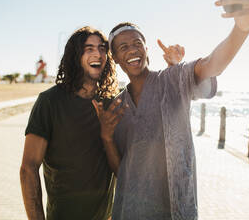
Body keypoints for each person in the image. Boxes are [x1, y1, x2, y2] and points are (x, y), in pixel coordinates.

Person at [92, 0, 249, 220]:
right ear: (114, 57)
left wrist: (243, 26)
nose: (132, 50)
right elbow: (121, 171)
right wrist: (106, 137)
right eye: (123, 47)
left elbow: (212, 64)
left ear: (147, 49)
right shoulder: (116, 107)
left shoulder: (173, 79)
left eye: (137, 43)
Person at [20, 26, 183, 220]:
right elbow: (28, 168)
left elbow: (128, 165)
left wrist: (175, 70)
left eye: (102, 49)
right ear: (75, 55)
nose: (97, 54)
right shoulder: (50, 102)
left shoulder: (113, 105)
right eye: (89, 49)